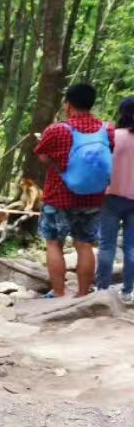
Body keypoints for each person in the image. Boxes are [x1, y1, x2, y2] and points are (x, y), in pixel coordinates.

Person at [33, 83, 115, 298]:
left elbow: (42, 156)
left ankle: (59, 295)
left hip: (58, 197)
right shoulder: (107, 130)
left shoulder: (57, 129)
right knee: (85, 245)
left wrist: (58, 165)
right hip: (92, 198)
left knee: (53, 244)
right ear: (91, 103)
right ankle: (82, 295)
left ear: (68, 105)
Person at [97, 96, 134, 303]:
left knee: (107, 245)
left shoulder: (112, 136)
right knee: (132, 247)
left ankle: (102, 289)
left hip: (110, 196)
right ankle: (128, 291)